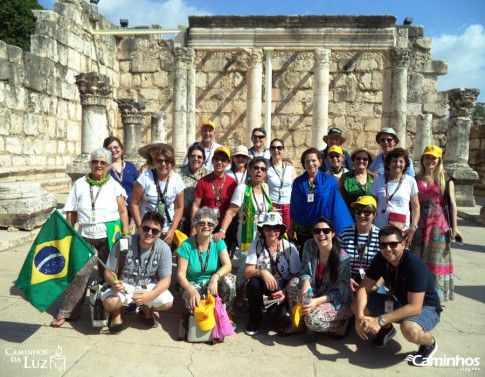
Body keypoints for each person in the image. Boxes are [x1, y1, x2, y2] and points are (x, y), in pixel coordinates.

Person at [50, 148, 130, 327]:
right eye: (95, 162)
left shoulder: (114, 185)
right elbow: (71, 211)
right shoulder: (80, 184)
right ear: (91, 164)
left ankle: (109, 311)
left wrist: (125, 235)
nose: (99, 165)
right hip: (86, 235)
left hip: (109, 236)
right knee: (79, 274)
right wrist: (70, 235)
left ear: (108, 166)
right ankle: (68, 312)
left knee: (109, 275)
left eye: (103, 162)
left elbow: (123, 211)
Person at [353, 226, 441, 367]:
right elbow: (363, 288)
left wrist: (379, 320)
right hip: (398, 302)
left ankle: (429, 343)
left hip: (425, 307)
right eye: (383, 245)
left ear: (403, 244)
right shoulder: (380, 259)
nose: (388, 249)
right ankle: (387, 330)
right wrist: (358, 317)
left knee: (410, 329)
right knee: (357, 305)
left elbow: (415, 307)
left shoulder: (414, 264)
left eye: (393, 244)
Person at [101, 211, 174, 334]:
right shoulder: (124, 243)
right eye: (146, 228)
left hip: (147, 284)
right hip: (124, 283)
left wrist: (149, 296)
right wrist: (114, 282)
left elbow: (166, 279)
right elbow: (109, 271)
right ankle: (116, 316)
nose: (149, 233)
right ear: (139, 228)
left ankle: (146, 310)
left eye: (155, 231)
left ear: (160, 233)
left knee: (167, 302)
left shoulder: (164, 249)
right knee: (110, 302)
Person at [279, 218, 352, 338]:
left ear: (333, 234)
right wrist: (306, 283)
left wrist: (316, 302)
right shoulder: (309, 246)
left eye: (326, 231)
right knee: (293, 284)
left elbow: (340, 294)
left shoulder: (343, 258)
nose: (321, 234)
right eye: (317, 231)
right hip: (315, 291)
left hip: (335, 301)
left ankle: (342, 323)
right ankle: (297, 325)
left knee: (312, 319)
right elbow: (305, 271)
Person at [411, 145, 462, 302]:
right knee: (417, 258)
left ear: (439, 160)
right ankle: (417, 293)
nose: (430, 160)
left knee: (436, 259)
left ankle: (435, 295)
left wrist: (455, 227)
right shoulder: (415, 179)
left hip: (438, 227)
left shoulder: (445, 179)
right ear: (423, 159)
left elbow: (452, 203)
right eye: (427, 157)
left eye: (433, 157)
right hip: (420, 225)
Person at [176, 207, 236, 336]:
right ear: (195, 226)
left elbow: (228, 265)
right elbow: (180, 275)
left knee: (229, 280)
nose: (206, 226)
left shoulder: (218, 242)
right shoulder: (186, 245)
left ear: (214, 227)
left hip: (213, 283)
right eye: (201, 223)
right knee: (197, 306)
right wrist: (191, 290)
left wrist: (215, 277)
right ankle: (187, 317)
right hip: (193, 283)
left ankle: (225, 314)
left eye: (209, 224)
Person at [244, 212, 301, 336]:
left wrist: (285, 292)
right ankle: (255, 317)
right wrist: (262, 272)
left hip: (282, 290)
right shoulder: (256, 245)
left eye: (276, 228)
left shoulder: (289, 248)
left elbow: (296, 277)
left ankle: (283, 312)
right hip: (263, 287)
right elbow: (247, 272)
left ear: (281, 230)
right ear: (263, 230)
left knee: (277, 318)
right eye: (268, 228)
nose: (272, 231)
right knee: (253, 284)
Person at [290, 147, 353, 253]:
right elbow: (294, 207)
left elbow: (336, 205)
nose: (311, 164)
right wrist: (291, 227)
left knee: (324, 255)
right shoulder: (298, 183)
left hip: (323, 229)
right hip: (304, 229)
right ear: (303, 164)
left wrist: (339, 228)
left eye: (313, 160)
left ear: (319, 162)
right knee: (306, 256)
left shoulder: (329, 181)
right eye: (307, 161)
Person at [131, 142, 185, 246]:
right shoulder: (145, 177)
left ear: (172, 164)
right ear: (155, 162)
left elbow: (179, 207)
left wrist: (173, 229)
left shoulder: (177, 180)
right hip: (146, 229)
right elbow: (134, 203)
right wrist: (140, 227)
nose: (164, 164)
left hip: (166, 230)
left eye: (168, 161)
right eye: (160, 161)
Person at [215, 157, 273, 253]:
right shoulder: (242, 188)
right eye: (256, 168)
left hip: (264, 232)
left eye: (263, 169)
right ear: (249, 170)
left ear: (265, 173)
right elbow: (231, 212)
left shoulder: (265, 187)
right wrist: (222, 231)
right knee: (246, 261)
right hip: (247, 232)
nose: (259, 171)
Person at [370, 147, 419, 246]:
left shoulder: (410, 181)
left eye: (401, 161)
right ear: (388, 164)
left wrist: (413, 226)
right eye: (394, 161)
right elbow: (372, 203)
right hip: (380, 226)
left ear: (405, 164)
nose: (397, 164)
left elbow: (415, 206)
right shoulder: (379, 180)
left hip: (401, 227)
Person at [338, 196, 381, 291]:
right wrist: (346, 279)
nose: (362, 215)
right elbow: (334, 260)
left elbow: (385, 265)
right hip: (347, 279)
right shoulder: (344, 234)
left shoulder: (380, 236)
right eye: (358, 211)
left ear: (374, 215)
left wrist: (376, 286)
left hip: (372, 281)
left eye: (367, 212)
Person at [175, 144, 210, 235]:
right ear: (188, 157)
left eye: (199, 157)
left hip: (201, 220)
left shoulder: (208, 175)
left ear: (203, 160)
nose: (196, 159)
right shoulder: (177, 173)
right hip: (180, 218)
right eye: (193, 156)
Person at [103, 136, 139, 219]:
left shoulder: (131, 167)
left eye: (116, 147)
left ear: (122, 149)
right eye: (109, 149)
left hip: (131, 211)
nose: (113, 150)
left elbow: (137, 189)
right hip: (112, 212)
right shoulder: (104, 169)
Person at [266, 138, 296, 232]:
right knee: (273, 233)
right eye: (273, 148)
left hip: (288, 205)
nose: (276, 150)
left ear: (283, 151)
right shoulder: (266, 168)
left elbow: (295, 189)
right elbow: (262, 189)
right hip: (273, 205)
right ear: (270, 150)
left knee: (287, 233)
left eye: (279, 148)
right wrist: (270, 207)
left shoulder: (290, 168)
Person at [340, 147, 377, 217]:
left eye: (365, 159)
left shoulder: (374, 178)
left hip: (369, 217)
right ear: (353, 161)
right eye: (358, 158)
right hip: (349, 217)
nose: (361, 160)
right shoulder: (345, 177)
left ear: (369, 162)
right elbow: (341, 200)